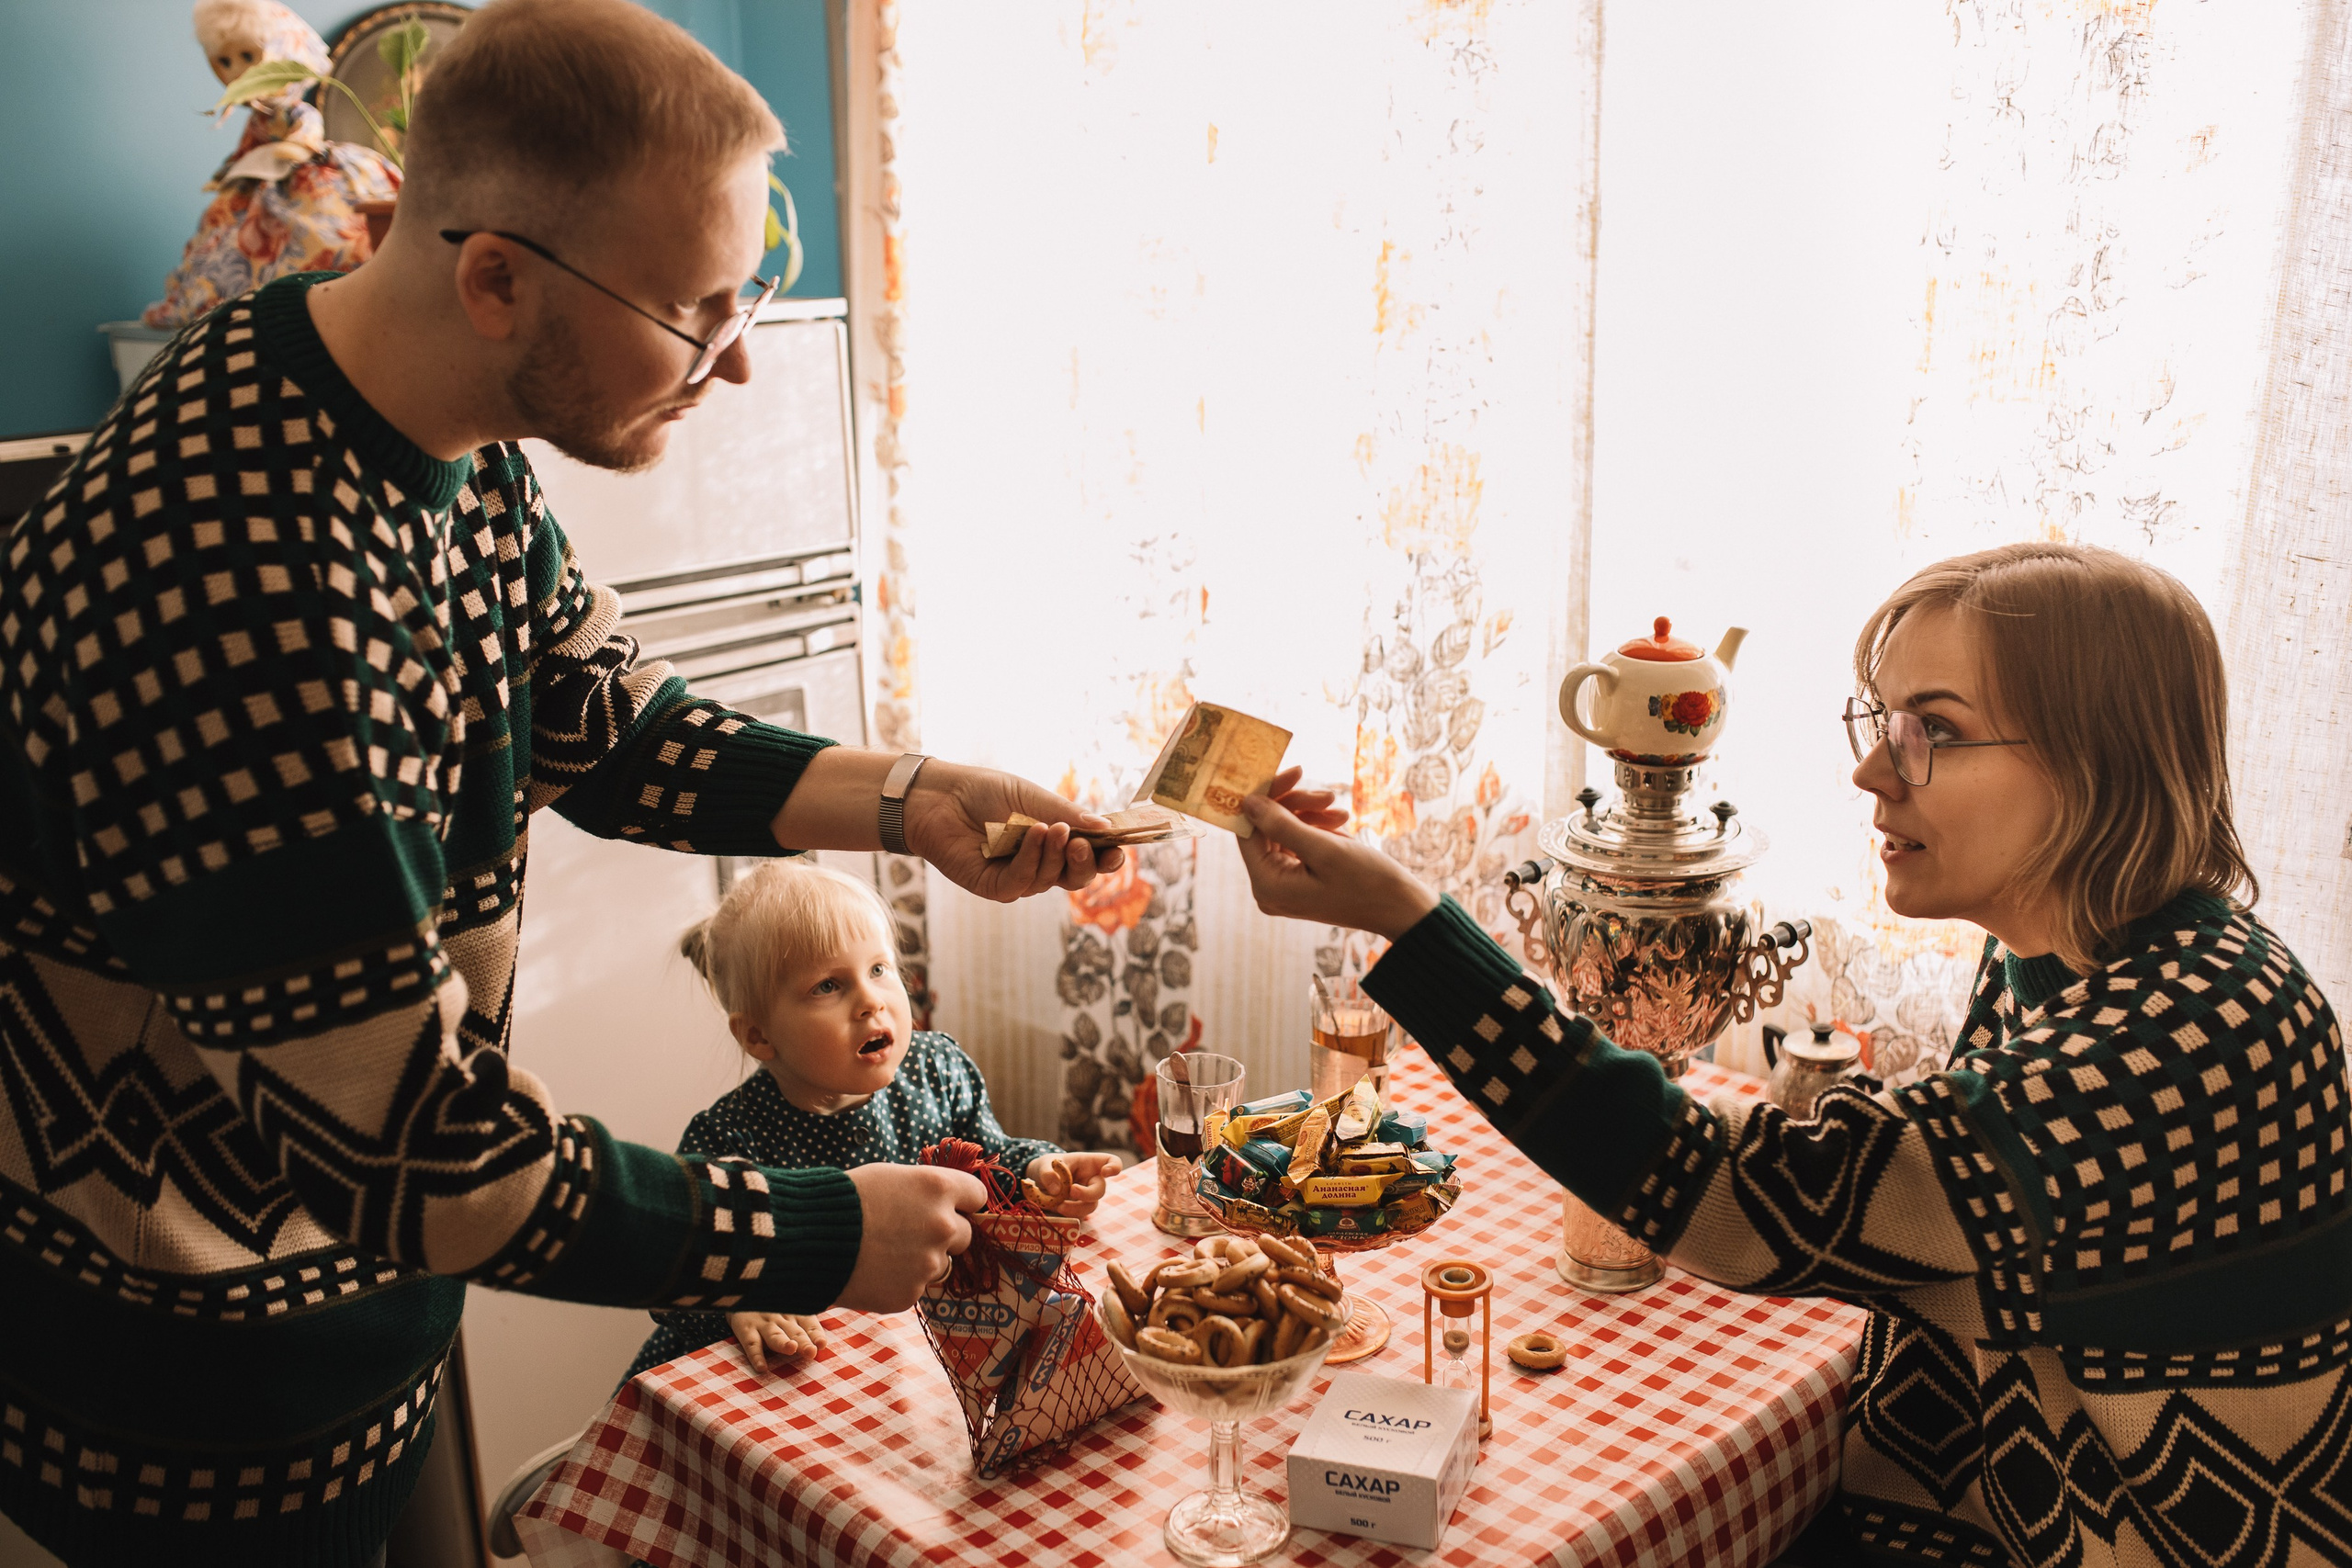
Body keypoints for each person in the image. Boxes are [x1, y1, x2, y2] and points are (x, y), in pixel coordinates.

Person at [0, 2, 1272, 1562]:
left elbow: (614, 727)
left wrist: (912, 799)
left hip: (352, 1311)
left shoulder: (441, 426)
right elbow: (426, 1155)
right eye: (695, 311)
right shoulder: (241, 588)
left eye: (757, 291)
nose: (735, 366)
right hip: (183, 1385)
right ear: (494, 277)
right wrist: (812, 1231)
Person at [1235, 542, 2352, 1568]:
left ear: (2097, 765)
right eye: (1878, 723)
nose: (1874, 774)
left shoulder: (2173, 1039)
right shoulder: (2077, 954)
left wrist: (1413, 924)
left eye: (1937, 731)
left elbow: (1739, 1199)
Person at [624, 860, 1119, 1382]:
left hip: (915, 1359)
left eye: (879, 969)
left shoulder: (937, 1069)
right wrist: (738, 1299)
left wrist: (1039, 1171)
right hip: (791, 1383)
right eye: (827, 987)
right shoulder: (731, 1138)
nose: (870, 1001)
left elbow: (988, 1160)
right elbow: (671, 1283)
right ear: (758, 1036)